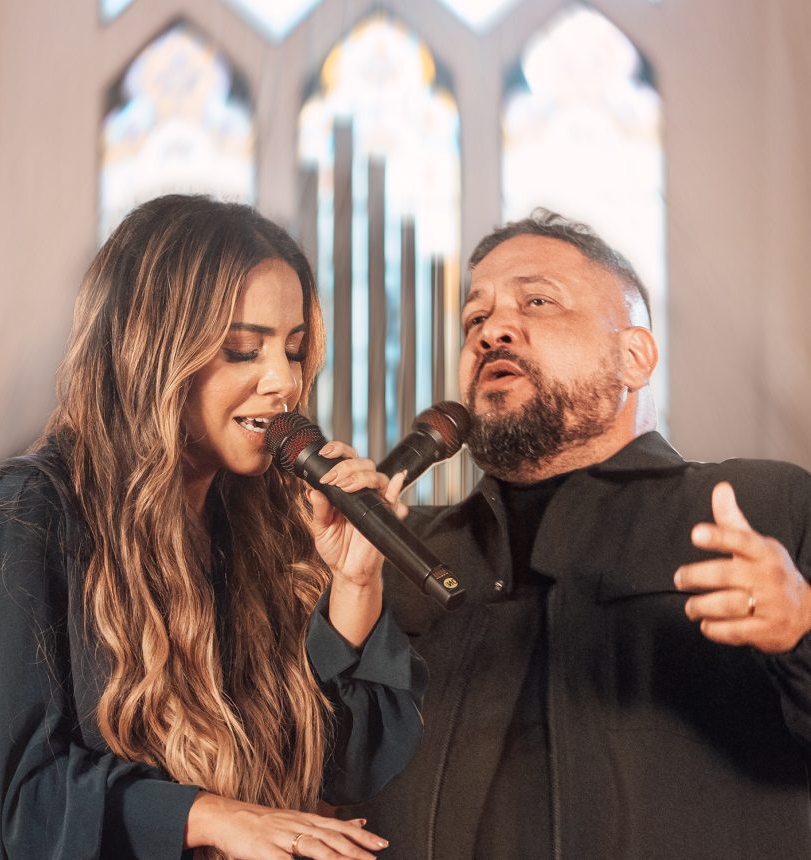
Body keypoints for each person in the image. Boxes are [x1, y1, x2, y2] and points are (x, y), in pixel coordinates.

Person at [0, 194, 426, 860]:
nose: (282, 382)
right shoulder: (28, 513)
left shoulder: (266, 530)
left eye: (293, 352)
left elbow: (343, 770)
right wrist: (210, 817)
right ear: (149, 348)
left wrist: (353, 583)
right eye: (241, 350)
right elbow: (22, 800)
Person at [339, 209, 811, 859]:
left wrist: (801, 629)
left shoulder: (767, 507)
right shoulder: (392, 557)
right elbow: (320, 763)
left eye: (538, 301)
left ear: (634, 356)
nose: (492, 330)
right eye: (475, 318)